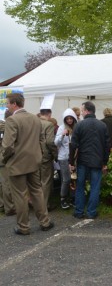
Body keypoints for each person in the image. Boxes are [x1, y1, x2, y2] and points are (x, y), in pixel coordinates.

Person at [1, 93, 54, 235]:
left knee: (20, 195)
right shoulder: (35, 118)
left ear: (14, 104)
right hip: (34, 161)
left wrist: (5, 159)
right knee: (37, 191)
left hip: (17, 163)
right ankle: (45, 221)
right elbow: (40, 141)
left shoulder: (12, 120)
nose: (7, 105)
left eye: (7, 103)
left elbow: (7, 146)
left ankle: (23, 227)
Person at [69, 101, 110, 219]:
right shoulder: (102, 125)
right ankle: (91, 212)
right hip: (97, 161)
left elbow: (73, 145)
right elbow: (107, 145)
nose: (81, 113)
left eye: (82, 111)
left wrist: (71, 162)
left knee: (80, 186)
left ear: (87, 111)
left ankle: (79, 211)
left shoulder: (79, 125)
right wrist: (105, 162)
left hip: (83, 161)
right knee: (95, 186)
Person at [55, 108, 78, 209]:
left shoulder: (77, 127)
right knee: (66, 179)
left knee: (74, 178)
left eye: (71, 118)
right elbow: (56, 142)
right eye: (67, 119)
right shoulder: (61, 128)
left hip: (74, 157)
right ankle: (63, 199)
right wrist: (62, 135)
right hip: (64, 157)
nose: (69, 120)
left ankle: (73, 198)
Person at [38, 109, 58, 210]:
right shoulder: (48, 124)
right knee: (45, 182)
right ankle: (44, 206)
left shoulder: (33, 123)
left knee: (36, 182)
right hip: (44, 157)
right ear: (49, 114)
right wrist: (55, 154)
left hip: (32, 156)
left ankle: (36, 204)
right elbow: (50, 142)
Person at [0, 110, 15, 216]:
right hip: (3, 158)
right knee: (6, 184)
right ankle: (9, 207)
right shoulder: (5, 127)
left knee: (1, 184)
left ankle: (2, 205)